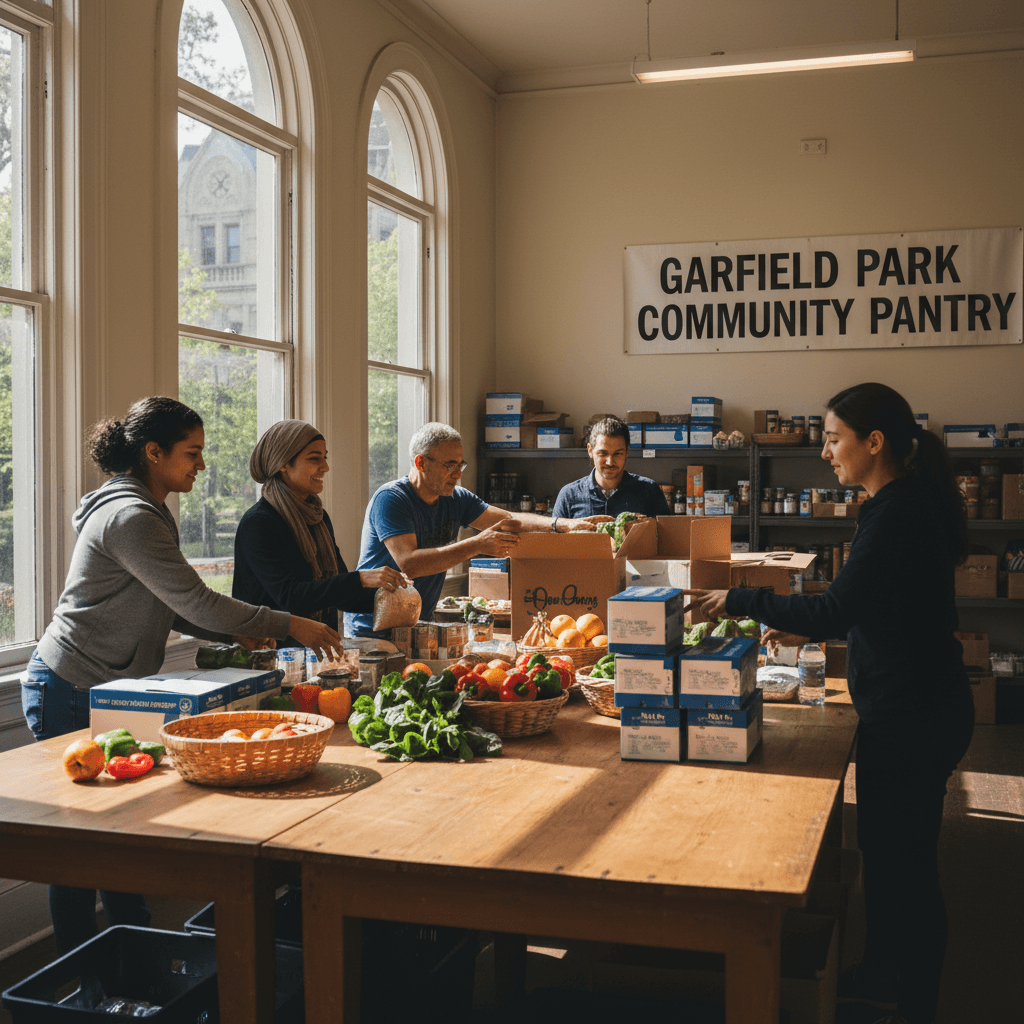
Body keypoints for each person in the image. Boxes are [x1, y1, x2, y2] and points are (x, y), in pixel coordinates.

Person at [684, 382, 974, 1024]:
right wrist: (810, 624)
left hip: (914, 714)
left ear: (874, 443)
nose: (824, 453)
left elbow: (841, 606)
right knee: (889, 854)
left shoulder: (898, 511)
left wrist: (742, 599)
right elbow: (882, 606)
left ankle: (916, 999)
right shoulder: (897, 503)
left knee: (908, 869)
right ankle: (880, 969)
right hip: (909, 703)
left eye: (833, 438)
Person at [21, 397, 342, 955]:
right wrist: (291, 623)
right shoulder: (130, 517)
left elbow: (168, 605)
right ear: (153, 452)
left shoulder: (147, 509)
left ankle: (133, 960)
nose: (201, 465)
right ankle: (88, 981)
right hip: (70, 686)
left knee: (115, 839)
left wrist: (235, 633)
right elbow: (192, 598)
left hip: (101, 687)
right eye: (191, 453)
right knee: (76, 853)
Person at [346, 422, 595, 637]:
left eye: (460, 465)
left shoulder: (456, 498)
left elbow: (508, 519)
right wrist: (477, 544)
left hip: (418, 625)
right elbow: (410, 564)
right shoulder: (391, 499)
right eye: (449, 465)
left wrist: (561, 524)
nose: (457, 474)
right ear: (421, 462)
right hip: (371, 629)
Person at [232, 420, 406, 639]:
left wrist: (398, 599)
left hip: (318, 653)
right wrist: (360, 579)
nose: (325, 467)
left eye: (325, 457)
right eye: (314, 459)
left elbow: (342, 596)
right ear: (283, 464)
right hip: (270, 655)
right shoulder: (258, 523)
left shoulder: (318, 517)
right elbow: (290, 597)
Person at [551, 416, 671, 521]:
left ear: (627, 451)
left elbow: (666, 542)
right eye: (603, 453)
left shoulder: (650, 491)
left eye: (617, 453)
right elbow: (556, 545)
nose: (610, 462)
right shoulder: (569, 495)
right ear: (590, 450)